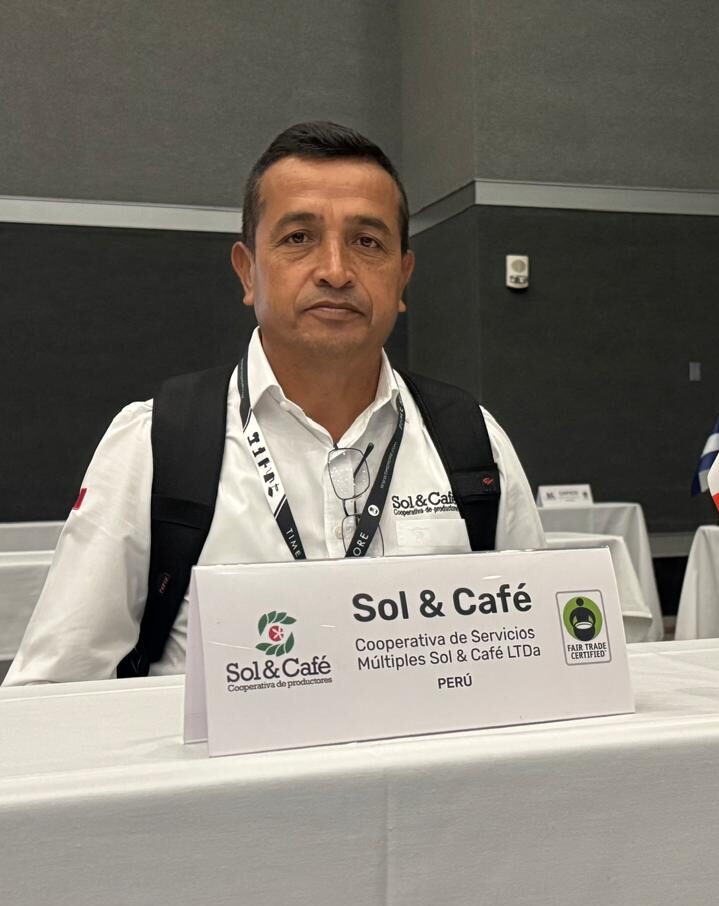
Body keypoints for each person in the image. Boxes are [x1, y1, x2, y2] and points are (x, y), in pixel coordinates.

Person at [5, 121, 544, 685]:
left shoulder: (472, 442)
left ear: (402, 276)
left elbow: (537, 660)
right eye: (298, 238)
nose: (335, 271)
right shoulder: (156, 445)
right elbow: (53, 693)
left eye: (367, 242)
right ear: (248, 272)